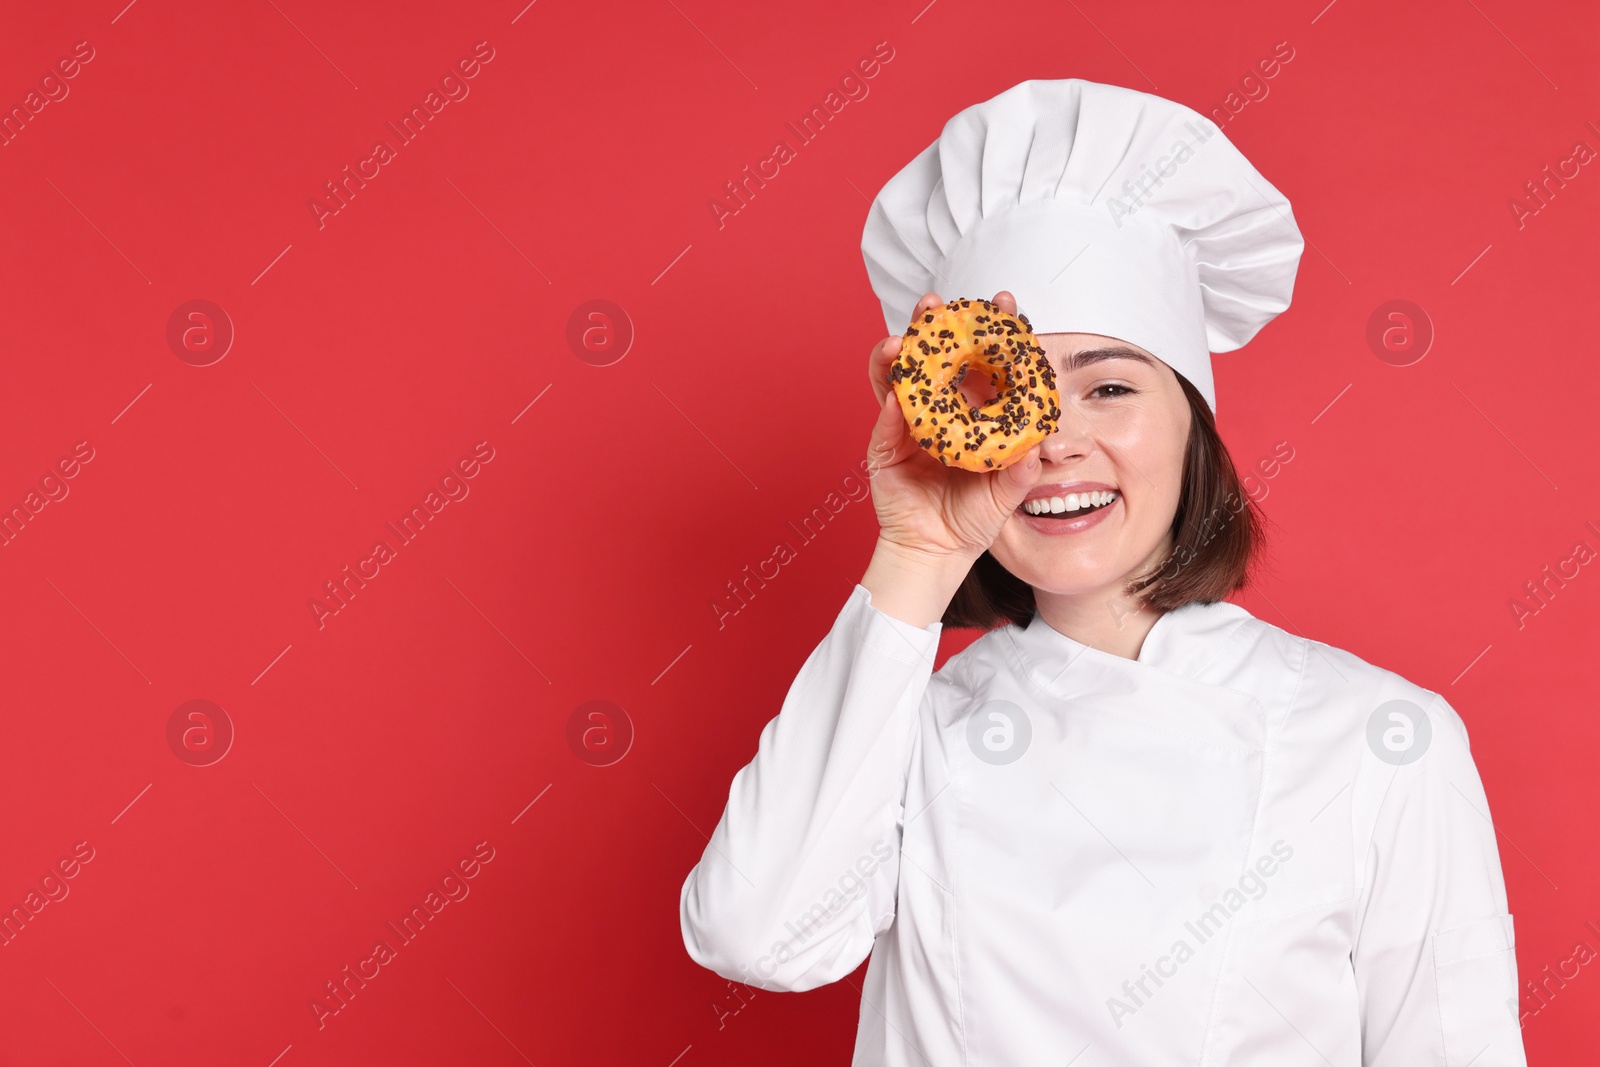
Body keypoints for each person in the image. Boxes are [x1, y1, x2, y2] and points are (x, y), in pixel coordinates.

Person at [678, 78, 1526, 1066]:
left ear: (1191, 428)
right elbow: (754, 932)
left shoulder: (1383, 741)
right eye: (1014, 397)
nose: (1055, 443)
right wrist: (917, 549)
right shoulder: (904, 730)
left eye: (1108, 385)